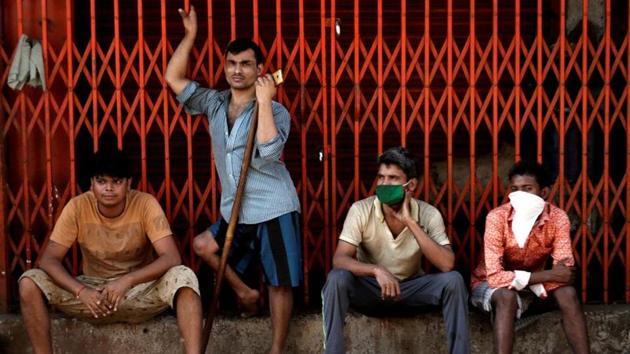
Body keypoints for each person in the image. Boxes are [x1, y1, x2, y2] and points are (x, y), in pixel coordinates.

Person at [165, 6, 302, 354]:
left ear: (259, 70)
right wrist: (191, 35)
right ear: (225, 67)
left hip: (274, 206)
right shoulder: (214, 102)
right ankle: (244, 292)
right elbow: (174, 79)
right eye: (231, 63)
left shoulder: (276, 110)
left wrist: (266, 102)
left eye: (245, 64)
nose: (237, 70)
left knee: (279, 282)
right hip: (236, 209)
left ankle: (275, 349)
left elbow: (270, 152)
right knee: (203, 246)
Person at [18, 148, 202, 354]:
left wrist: (128, 280)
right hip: (92, 296)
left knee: (184, 276)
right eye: (101, 181)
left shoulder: (145, 203)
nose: (109, 189)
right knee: (29, 281)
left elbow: (171, 257)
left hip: (137, 291)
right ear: (91, 183)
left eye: (117, 181)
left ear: (129, 183)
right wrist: (81, 291)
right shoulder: (77, 207)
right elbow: (49, 260)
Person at [321, 146, 470, 354]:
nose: (384, 184)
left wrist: (410, 221)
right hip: (372, 291)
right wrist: (376, 270)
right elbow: (339, 259)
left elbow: (447, 264)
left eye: (393, 178)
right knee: (337, 278)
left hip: (410, 290)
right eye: (381, 177)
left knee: (453, 281)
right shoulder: (361, 210)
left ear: (411, 185)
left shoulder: (429, 214)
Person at [470, 160, 590, 354]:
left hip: (533, 286)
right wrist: (548, 275)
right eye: (515, 189)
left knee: (568, 293)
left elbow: (565, 271)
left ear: (543, 192)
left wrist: (551, 276)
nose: (520, 195)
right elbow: (494, 277)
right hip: (490, 285)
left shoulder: (558, 218)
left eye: (527, 189)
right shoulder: (497, 217)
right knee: (507, 296)